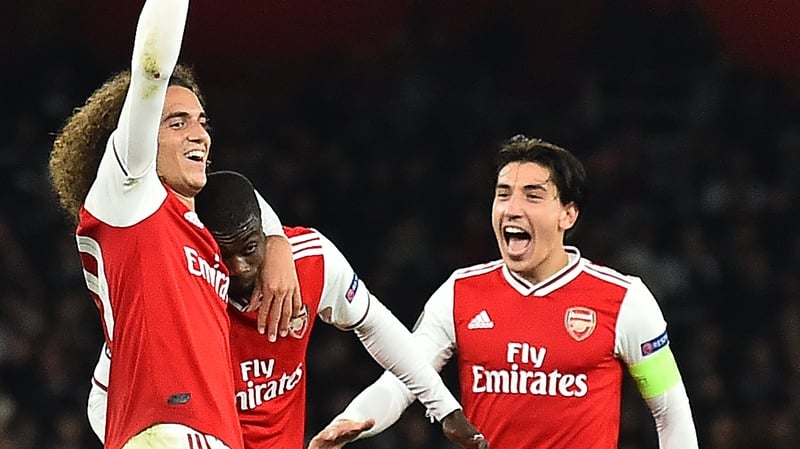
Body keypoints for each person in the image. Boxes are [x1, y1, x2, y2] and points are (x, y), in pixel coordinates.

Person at [310, 135, 699, 449]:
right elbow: (403, 379)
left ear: (569, 213)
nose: (512, 208)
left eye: (532, 195)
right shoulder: (460, 293)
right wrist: (354, 419)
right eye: (503, 193)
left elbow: (670, 409)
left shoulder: (625, 300)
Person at [47, 2, 300, 448]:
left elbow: (100, 394)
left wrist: (277, 240)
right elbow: (151, 69)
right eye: (176, 123)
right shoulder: (129, 197)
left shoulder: (197, 238)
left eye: (201, 122)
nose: (199, 133)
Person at [86, 170, 489, 449]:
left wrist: (445, 408)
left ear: (265, 235)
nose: (240, 267)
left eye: (249, 249)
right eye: (224, 255)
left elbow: (375, 324)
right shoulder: (172, 297)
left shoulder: (311, 262)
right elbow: (102, 398)